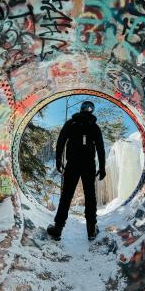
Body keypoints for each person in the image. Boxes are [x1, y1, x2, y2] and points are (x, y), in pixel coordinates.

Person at [47, 100, 106, 241]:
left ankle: (57, 229)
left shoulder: (71, 124)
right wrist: (102, 167)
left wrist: (58, 160)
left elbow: (61, 141)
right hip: (88, 166)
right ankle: (91, 230)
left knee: (66, 195)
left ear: (81, 109)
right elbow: (100, 148)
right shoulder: (94, 126)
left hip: (72, 164)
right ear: (92, 111)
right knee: (90, 196)